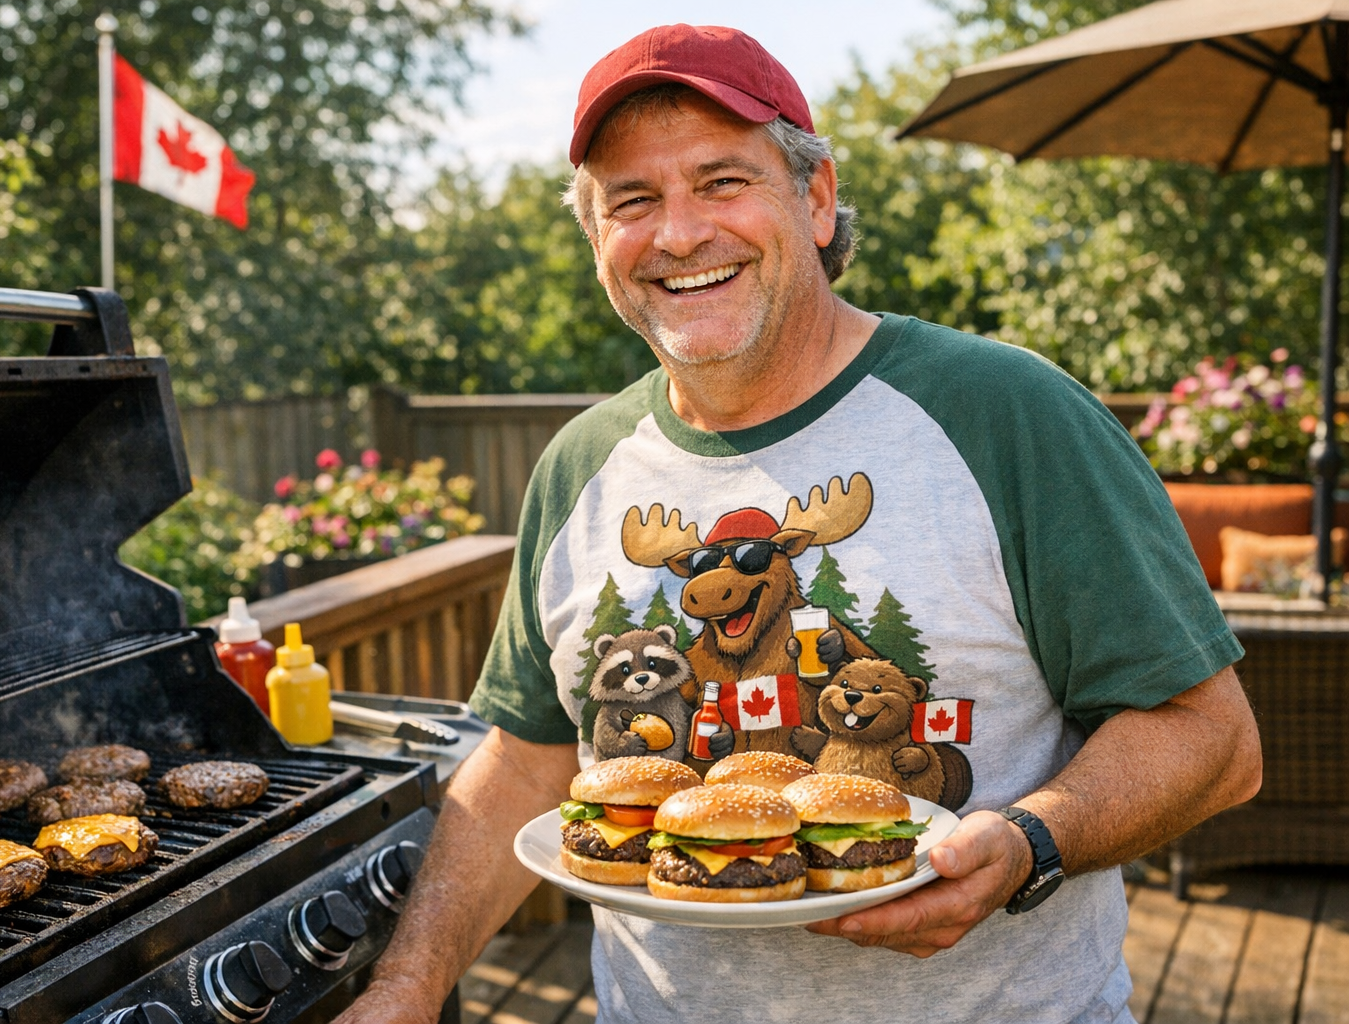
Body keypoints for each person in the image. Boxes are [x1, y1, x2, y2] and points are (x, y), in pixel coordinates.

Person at [332, 23, 1261, 1024]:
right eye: (632, 201)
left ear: (815, 200)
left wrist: (1031, 841)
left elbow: (1211, 737)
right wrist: (409, 984)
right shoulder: (578, 468)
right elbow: (525, 757)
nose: (680, 234)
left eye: (722, 181)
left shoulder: (1009, 415)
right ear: (598, 240)